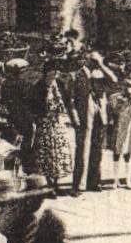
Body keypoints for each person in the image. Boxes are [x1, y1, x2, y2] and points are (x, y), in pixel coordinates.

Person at [69, 51, 114, 194]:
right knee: (83, 148)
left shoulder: (100, 73)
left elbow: (114, 81)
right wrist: (74, 116)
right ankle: (78, 185)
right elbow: (70, 99)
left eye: (97, 61)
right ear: (85, 60)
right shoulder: (75, 75)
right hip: (84, 114)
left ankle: (94, 182)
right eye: (93, 61)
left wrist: (102, 65)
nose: (95, 63)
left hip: (99, 113)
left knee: (97, 148)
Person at [28, 58, 74, 192]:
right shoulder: (39, 86)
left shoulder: (59, 84)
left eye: (57, 71)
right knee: (47, 153)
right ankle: (49, 184)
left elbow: (65, 101)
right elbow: (33, 105)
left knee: (59, 152)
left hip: (57, 122)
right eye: (53, 71)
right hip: (45, 123)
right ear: (47, 72)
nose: (55, 74)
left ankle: (56, 182)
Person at [109, 69, 131, 190]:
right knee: (117, 153)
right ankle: (115, 179)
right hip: (119, 127)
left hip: (130, 128)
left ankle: (128, 179)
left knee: (129, 153)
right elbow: (112, 107)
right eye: (127, 87)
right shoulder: (117, 97)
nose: (129, 90)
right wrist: (119, 101)